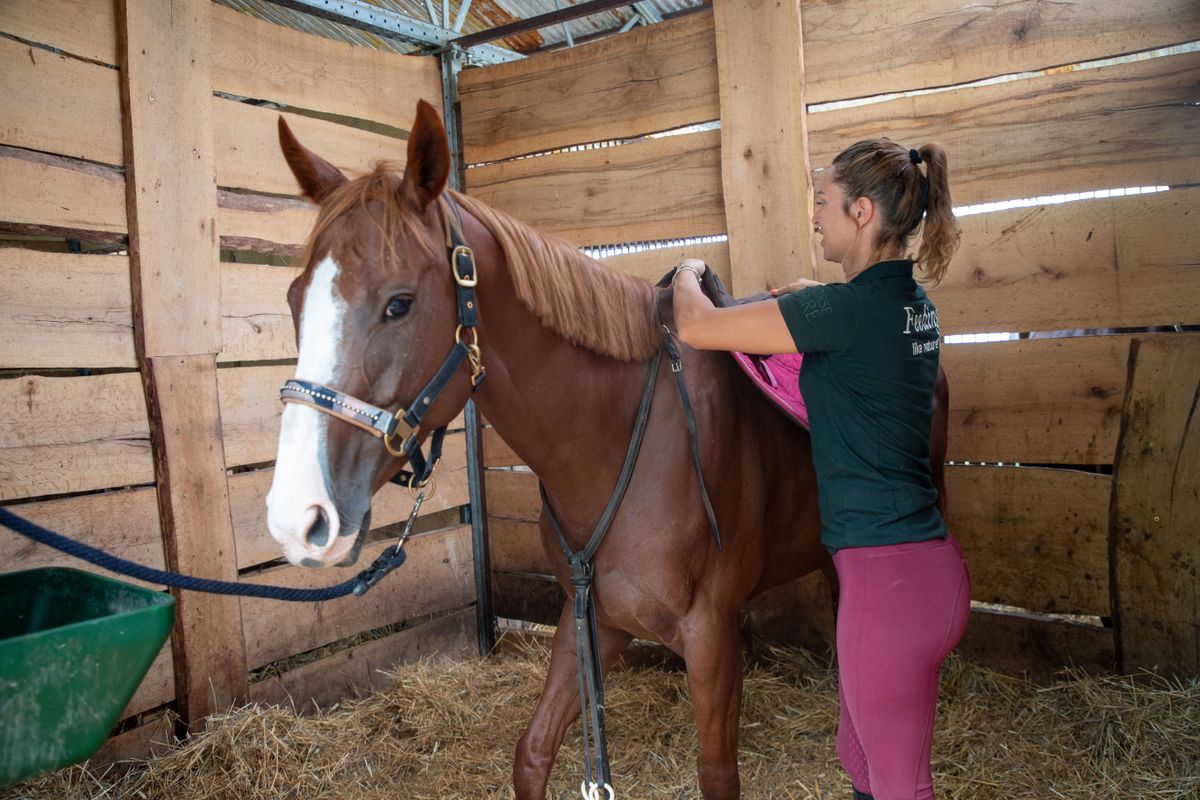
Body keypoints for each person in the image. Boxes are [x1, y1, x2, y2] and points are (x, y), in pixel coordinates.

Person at [670, 139, 971, 800]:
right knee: (857, 757)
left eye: (824, 202)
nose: (814, 216)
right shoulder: (908, 305)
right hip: (922, 573)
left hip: (885, 580)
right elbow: (860, 320)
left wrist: (688, 269)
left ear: (862, 212)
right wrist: (818, 298)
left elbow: (696, 327)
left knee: (897, 785)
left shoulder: (843, 314)